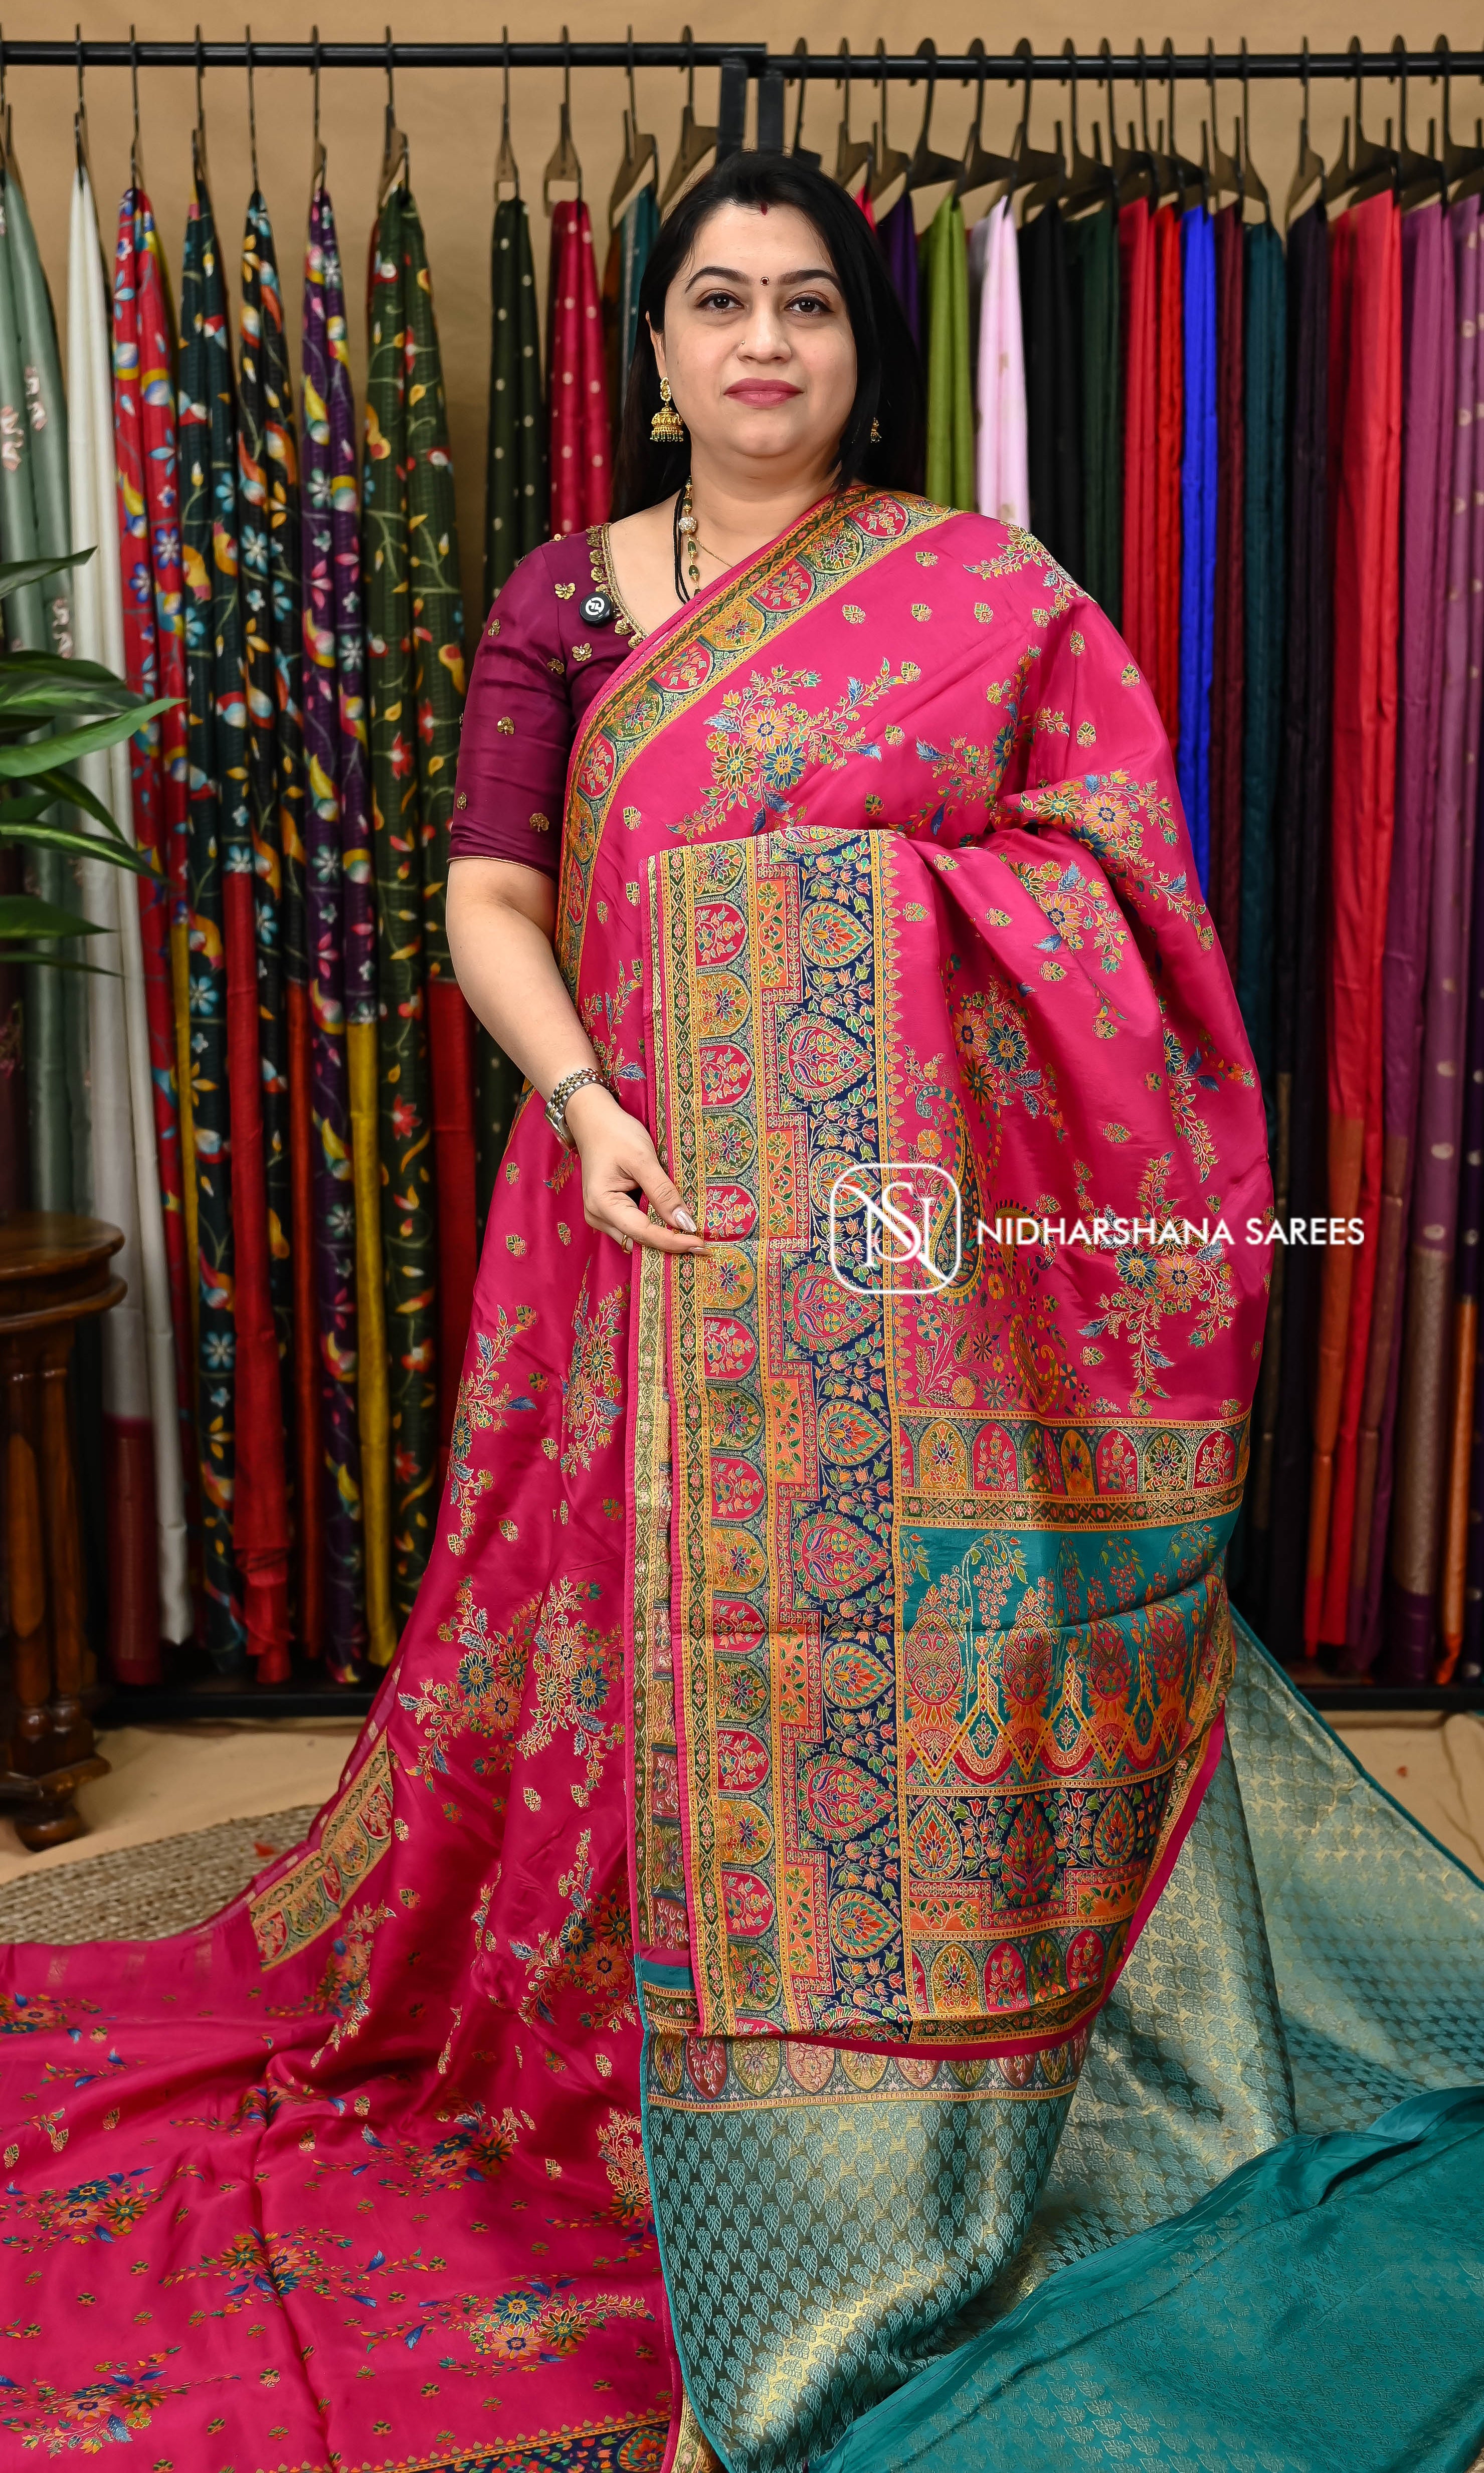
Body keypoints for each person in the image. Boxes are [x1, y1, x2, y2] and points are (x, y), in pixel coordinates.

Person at [3, 152, 1481, 2473]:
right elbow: (492, 891)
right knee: (620, 1642)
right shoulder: (566, 601)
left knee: (880, 1646)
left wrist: (846, 916)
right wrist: (587, 1090)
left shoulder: (983, 594)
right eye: (719, 300)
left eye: (805, 302)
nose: (764, 341)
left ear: (858, 349)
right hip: (636, 1210)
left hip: (909, 1268)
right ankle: (623, 2039)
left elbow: (1117, 895)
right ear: (661, 345)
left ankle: (921, 2052)